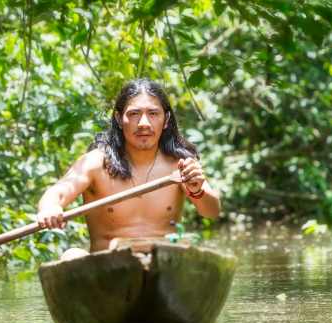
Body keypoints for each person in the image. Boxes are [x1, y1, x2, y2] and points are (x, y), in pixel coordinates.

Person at [36, 78, 220, 259]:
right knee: (72, 255)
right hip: (109, 270)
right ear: (118, 118)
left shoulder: (179, 165)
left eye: (153, 114)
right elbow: (57, 192)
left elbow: (212, 212)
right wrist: (50, 208)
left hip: (162, 268)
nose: (144, 123)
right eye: (134, 114)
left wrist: (197, 190)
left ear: (166, 120)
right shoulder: (96, 163)